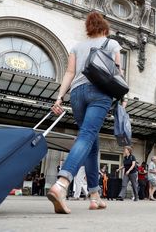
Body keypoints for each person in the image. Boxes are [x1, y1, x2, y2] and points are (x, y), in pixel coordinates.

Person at [48, 12, 122, 213]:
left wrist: (59, 97)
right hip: (99, 92)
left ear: (88, 28)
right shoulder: (112, 44)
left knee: (92, 144)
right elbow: (117, 72)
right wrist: (121, 98)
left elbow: (69, 73)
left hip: (77, 93)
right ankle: (62, 184)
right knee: (87, 136)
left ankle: (94, 195)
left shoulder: (77, 47)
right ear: (105, 28)